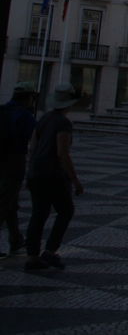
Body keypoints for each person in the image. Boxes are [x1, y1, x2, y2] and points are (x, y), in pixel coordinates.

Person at [25, 83, 84, 271]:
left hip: (36, 172)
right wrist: (75, 180)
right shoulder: (63, 123)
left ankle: (32, 256)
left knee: (38, 214)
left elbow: (33, 147)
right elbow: (62, 153)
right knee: (66, 211)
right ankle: (50, 251)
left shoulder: (44, 118)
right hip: (53, 175)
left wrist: (31, 169)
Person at [1, 82, 39, 258]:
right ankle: (16, 239)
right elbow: (34, 143)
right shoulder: (25, 116)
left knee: (11, 202)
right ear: (28, 98)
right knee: (5, 201)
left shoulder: (3, 110)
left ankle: (16, 238)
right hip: (14, 162)